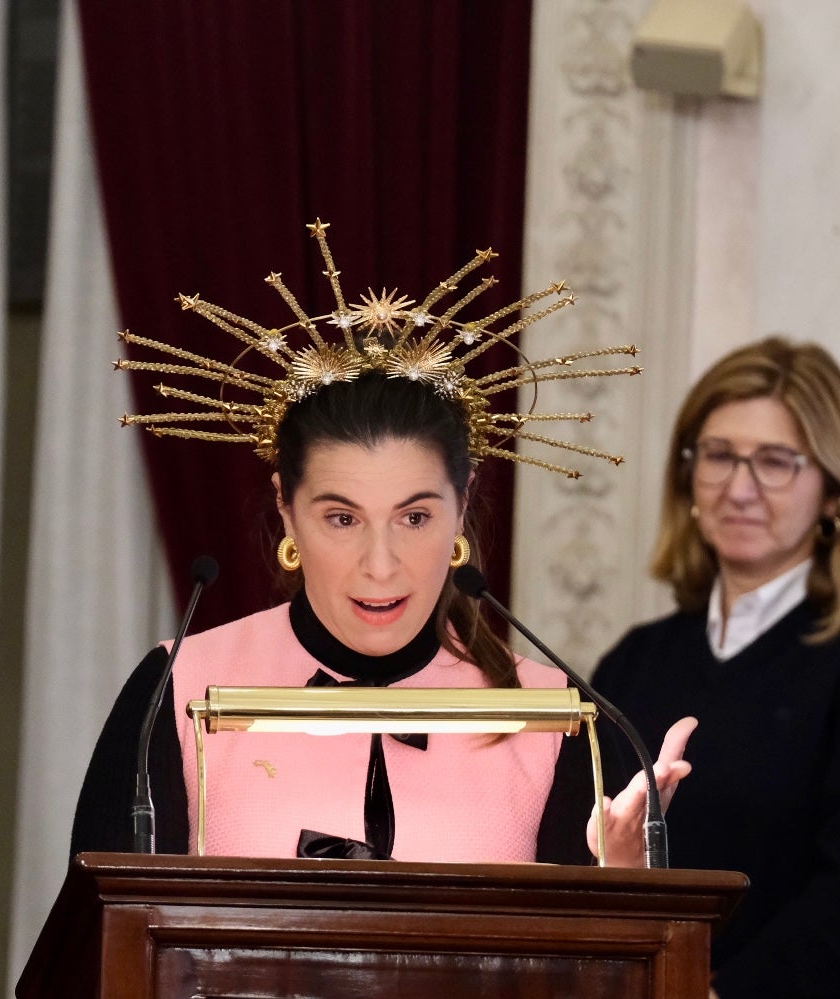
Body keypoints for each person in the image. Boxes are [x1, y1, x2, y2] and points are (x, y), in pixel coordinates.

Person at [73, 223, 692, 865]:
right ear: (286, 507)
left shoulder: (557, 720)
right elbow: (103, 944)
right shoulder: (175, 692)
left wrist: (624, 876)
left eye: (414, 518)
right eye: (342, 519)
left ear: (462, 508)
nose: (380, 565)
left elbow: (605, 959)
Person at [575, 336, 840, 999]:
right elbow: (573, 861)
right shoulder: (634, 662)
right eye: (718, 455)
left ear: (834, 490)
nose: (739, 487)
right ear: (687, 476)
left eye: (776, 461)